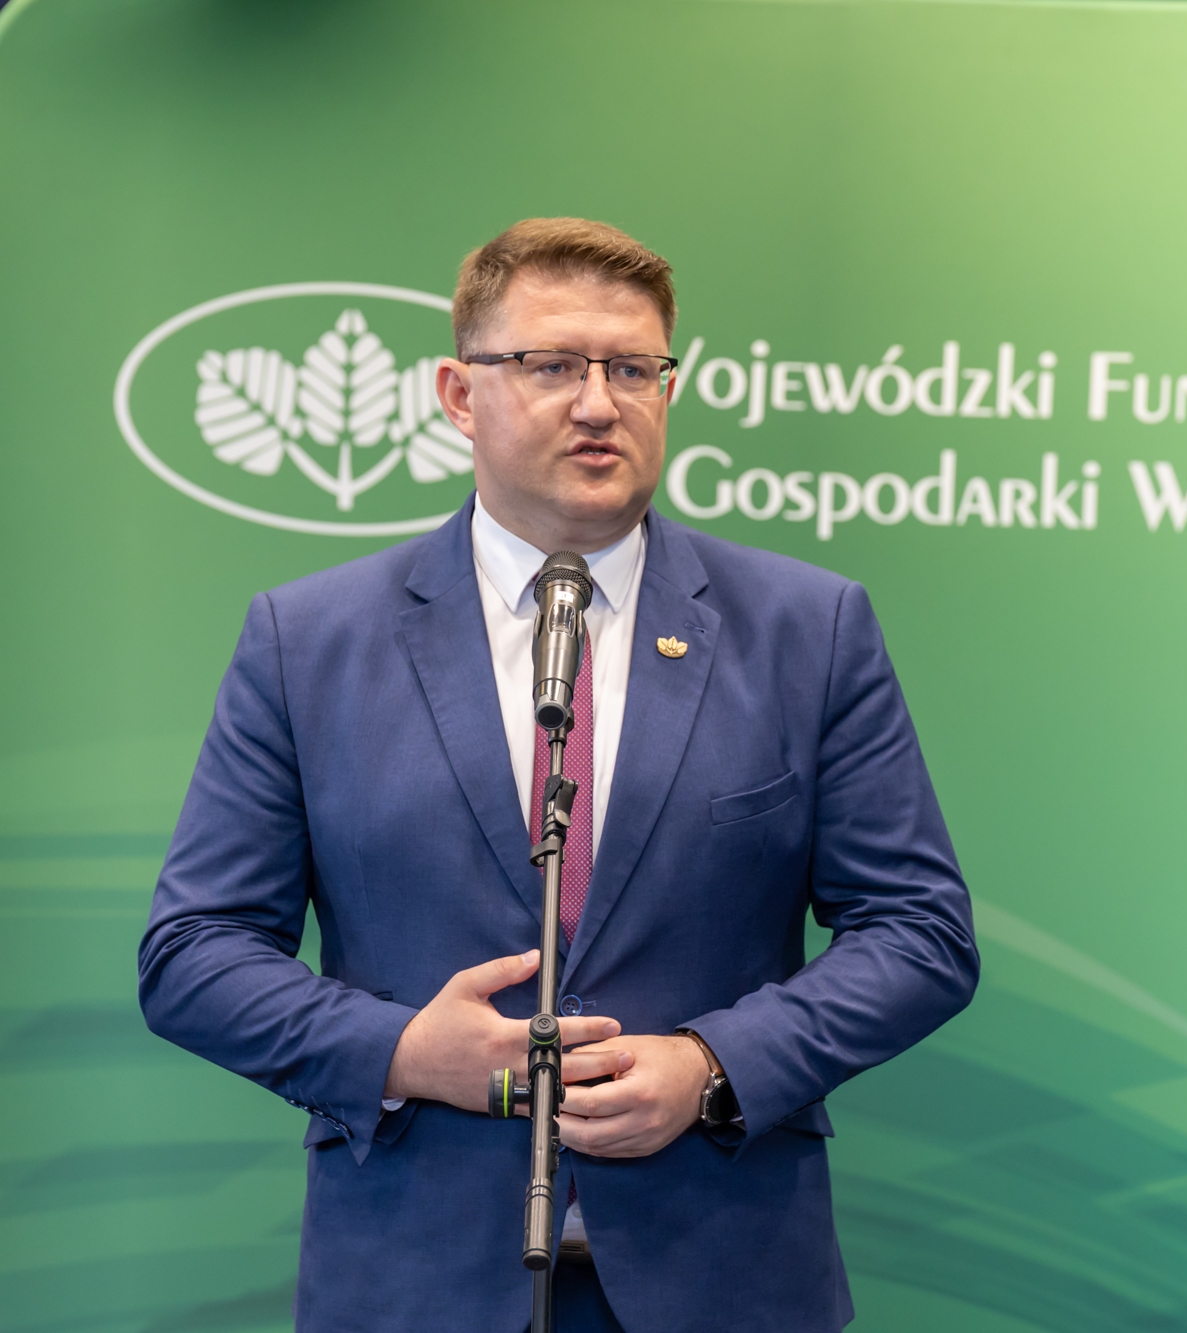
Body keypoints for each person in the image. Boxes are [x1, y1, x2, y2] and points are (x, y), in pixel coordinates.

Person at [138, 218, 979, 1333]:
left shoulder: (806, 629)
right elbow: (193, 954)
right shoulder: (310, 641)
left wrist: (712, 1064)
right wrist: (402, 1052)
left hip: (721, 1276)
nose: (598, 403)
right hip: (416, 1283)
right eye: (551, 366)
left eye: (632, 369)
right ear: (458, 393)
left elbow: (920, 933)